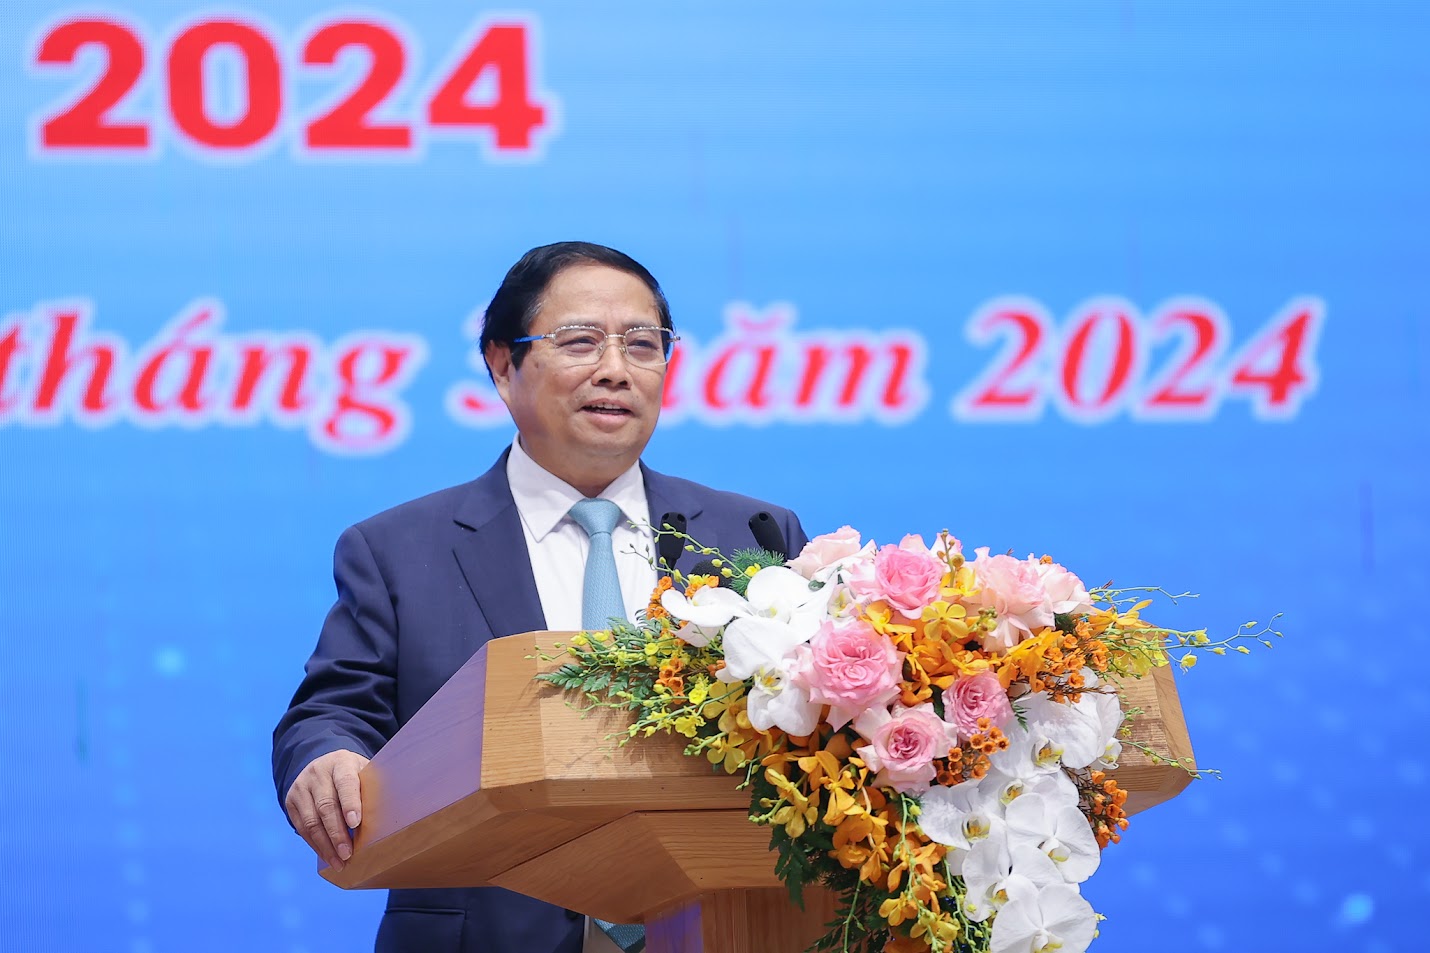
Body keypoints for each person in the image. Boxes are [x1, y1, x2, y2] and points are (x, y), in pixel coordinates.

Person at [272, 241, 808, 953]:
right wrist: (326, 757)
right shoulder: (399, 549)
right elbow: (334, 709)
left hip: (720, 926)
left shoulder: (753, 534)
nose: (615, 369)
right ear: (502, 366)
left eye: (642, 344)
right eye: (581, 341)